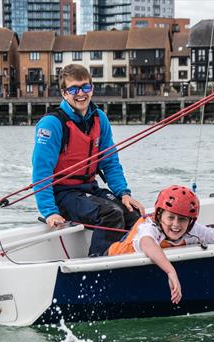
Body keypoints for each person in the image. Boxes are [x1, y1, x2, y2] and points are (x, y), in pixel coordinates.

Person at [31, 64, 144, 257]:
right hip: (63, 194)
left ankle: (127, 257)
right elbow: (41, 171)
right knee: (110, 213)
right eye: (74, 89)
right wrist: (50, 212)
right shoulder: (51, 124)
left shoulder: (99, 118)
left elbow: (110, 162)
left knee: (133, 214)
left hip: (88, 189)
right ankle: (98, 264)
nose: (80, 93)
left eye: (85, 87)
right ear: (64, 93)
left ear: (92, 88)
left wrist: (124, 193)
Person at [107, 185, 214, 306]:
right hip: (112, 261)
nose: (175, 224)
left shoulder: (193, 230)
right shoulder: (149, 227)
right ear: (159, 216)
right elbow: (147, 243)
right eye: (170, 217)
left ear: (191, 221)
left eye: (182, 219)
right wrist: (171, 272)